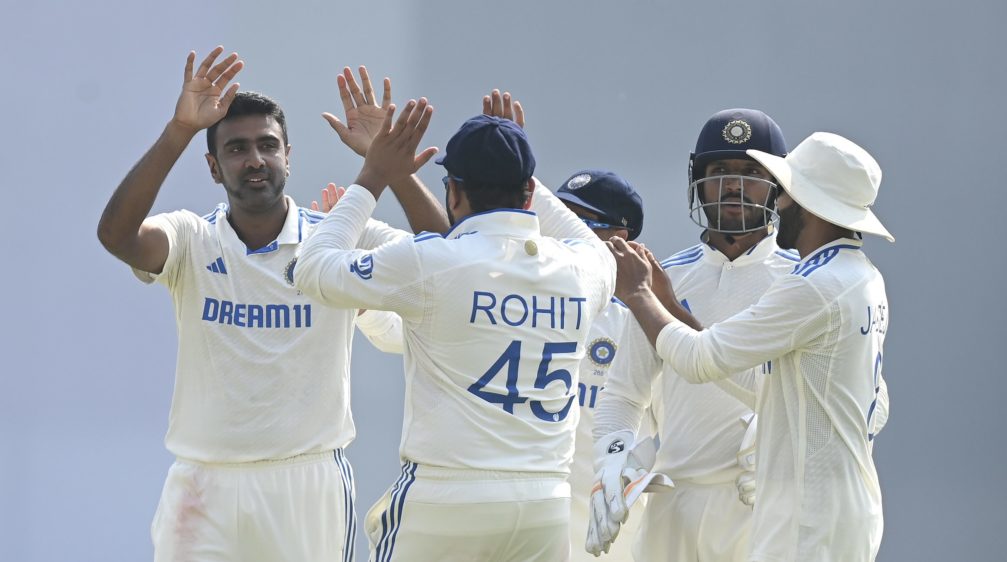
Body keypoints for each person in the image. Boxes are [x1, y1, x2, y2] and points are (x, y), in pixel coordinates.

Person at [96, 48, 446, 562]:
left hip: (305, 482)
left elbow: (448, 259)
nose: (255, 159)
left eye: (267, 145)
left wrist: (388, 168)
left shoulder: (335, 238)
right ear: (214, 168)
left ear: (289, 156)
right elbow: (117, 235)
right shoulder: (192, 238)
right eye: (236, 149)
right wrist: (179, 130)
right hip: (203, 484)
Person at [291, 93, 615, 561]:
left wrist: (375, 174)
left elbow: (312, 270)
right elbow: (580, 239)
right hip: (544, 502)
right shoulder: (584, 268)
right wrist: (513, 152)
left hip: (446, 499)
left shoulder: (431, 264)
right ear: (528, 192)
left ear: (454, 193)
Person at [608, 131, 893, 562]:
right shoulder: (862, 276)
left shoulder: (812, 285)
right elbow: (760, 377)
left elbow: (700, 360)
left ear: (808, 202)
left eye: (786, 190)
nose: (779, 202)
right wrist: (672, 307)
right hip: (834, 505)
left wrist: (640, 295)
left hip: (807, 512)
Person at [552, 170, 659, 562]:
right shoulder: (532, 307)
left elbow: (676, 430)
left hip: (612, 541)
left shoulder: (641, 323)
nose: (559, 238)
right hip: (534, 530)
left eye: (579, 225)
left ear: (619, 240)